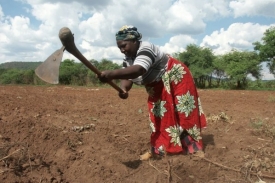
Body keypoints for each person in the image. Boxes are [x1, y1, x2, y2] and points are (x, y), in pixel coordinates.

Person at [98, 25, 207, 160]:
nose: (122, 50)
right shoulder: (128, 59)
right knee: (158, 116)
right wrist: (124, 89)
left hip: (177, 77)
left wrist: (111, 74)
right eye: (119, 47)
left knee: (185, 111)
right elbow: (127, 78)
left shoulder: (146, 48)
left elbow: (138, 70)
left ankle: (194, 148)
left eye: (124, 45)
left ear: (134, 41)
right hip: (157, 85)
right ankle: (160, 150)